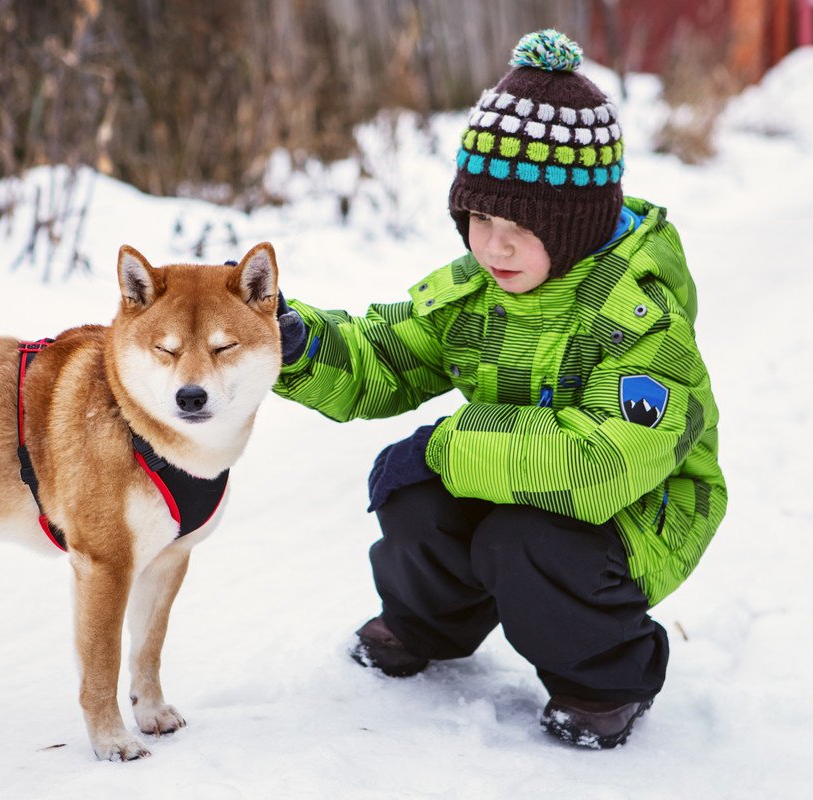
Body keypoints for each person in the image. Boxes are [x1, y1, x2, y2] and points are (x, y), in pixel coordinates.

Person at [273, 29, 726, 749]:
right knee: (418, 497)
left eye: (521, 227)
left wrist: (451, 446)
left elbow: (604, 465)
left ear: (577, 225)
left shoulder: (638, 322)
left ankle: (605, 681)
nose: (494, 246)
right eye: (480, 219)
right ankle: (428, 623)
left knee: (525, 538)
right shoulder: (479, 294)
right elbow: (389, 353)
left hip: (637, 510)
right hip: (521, 472)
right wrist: (300, 342)